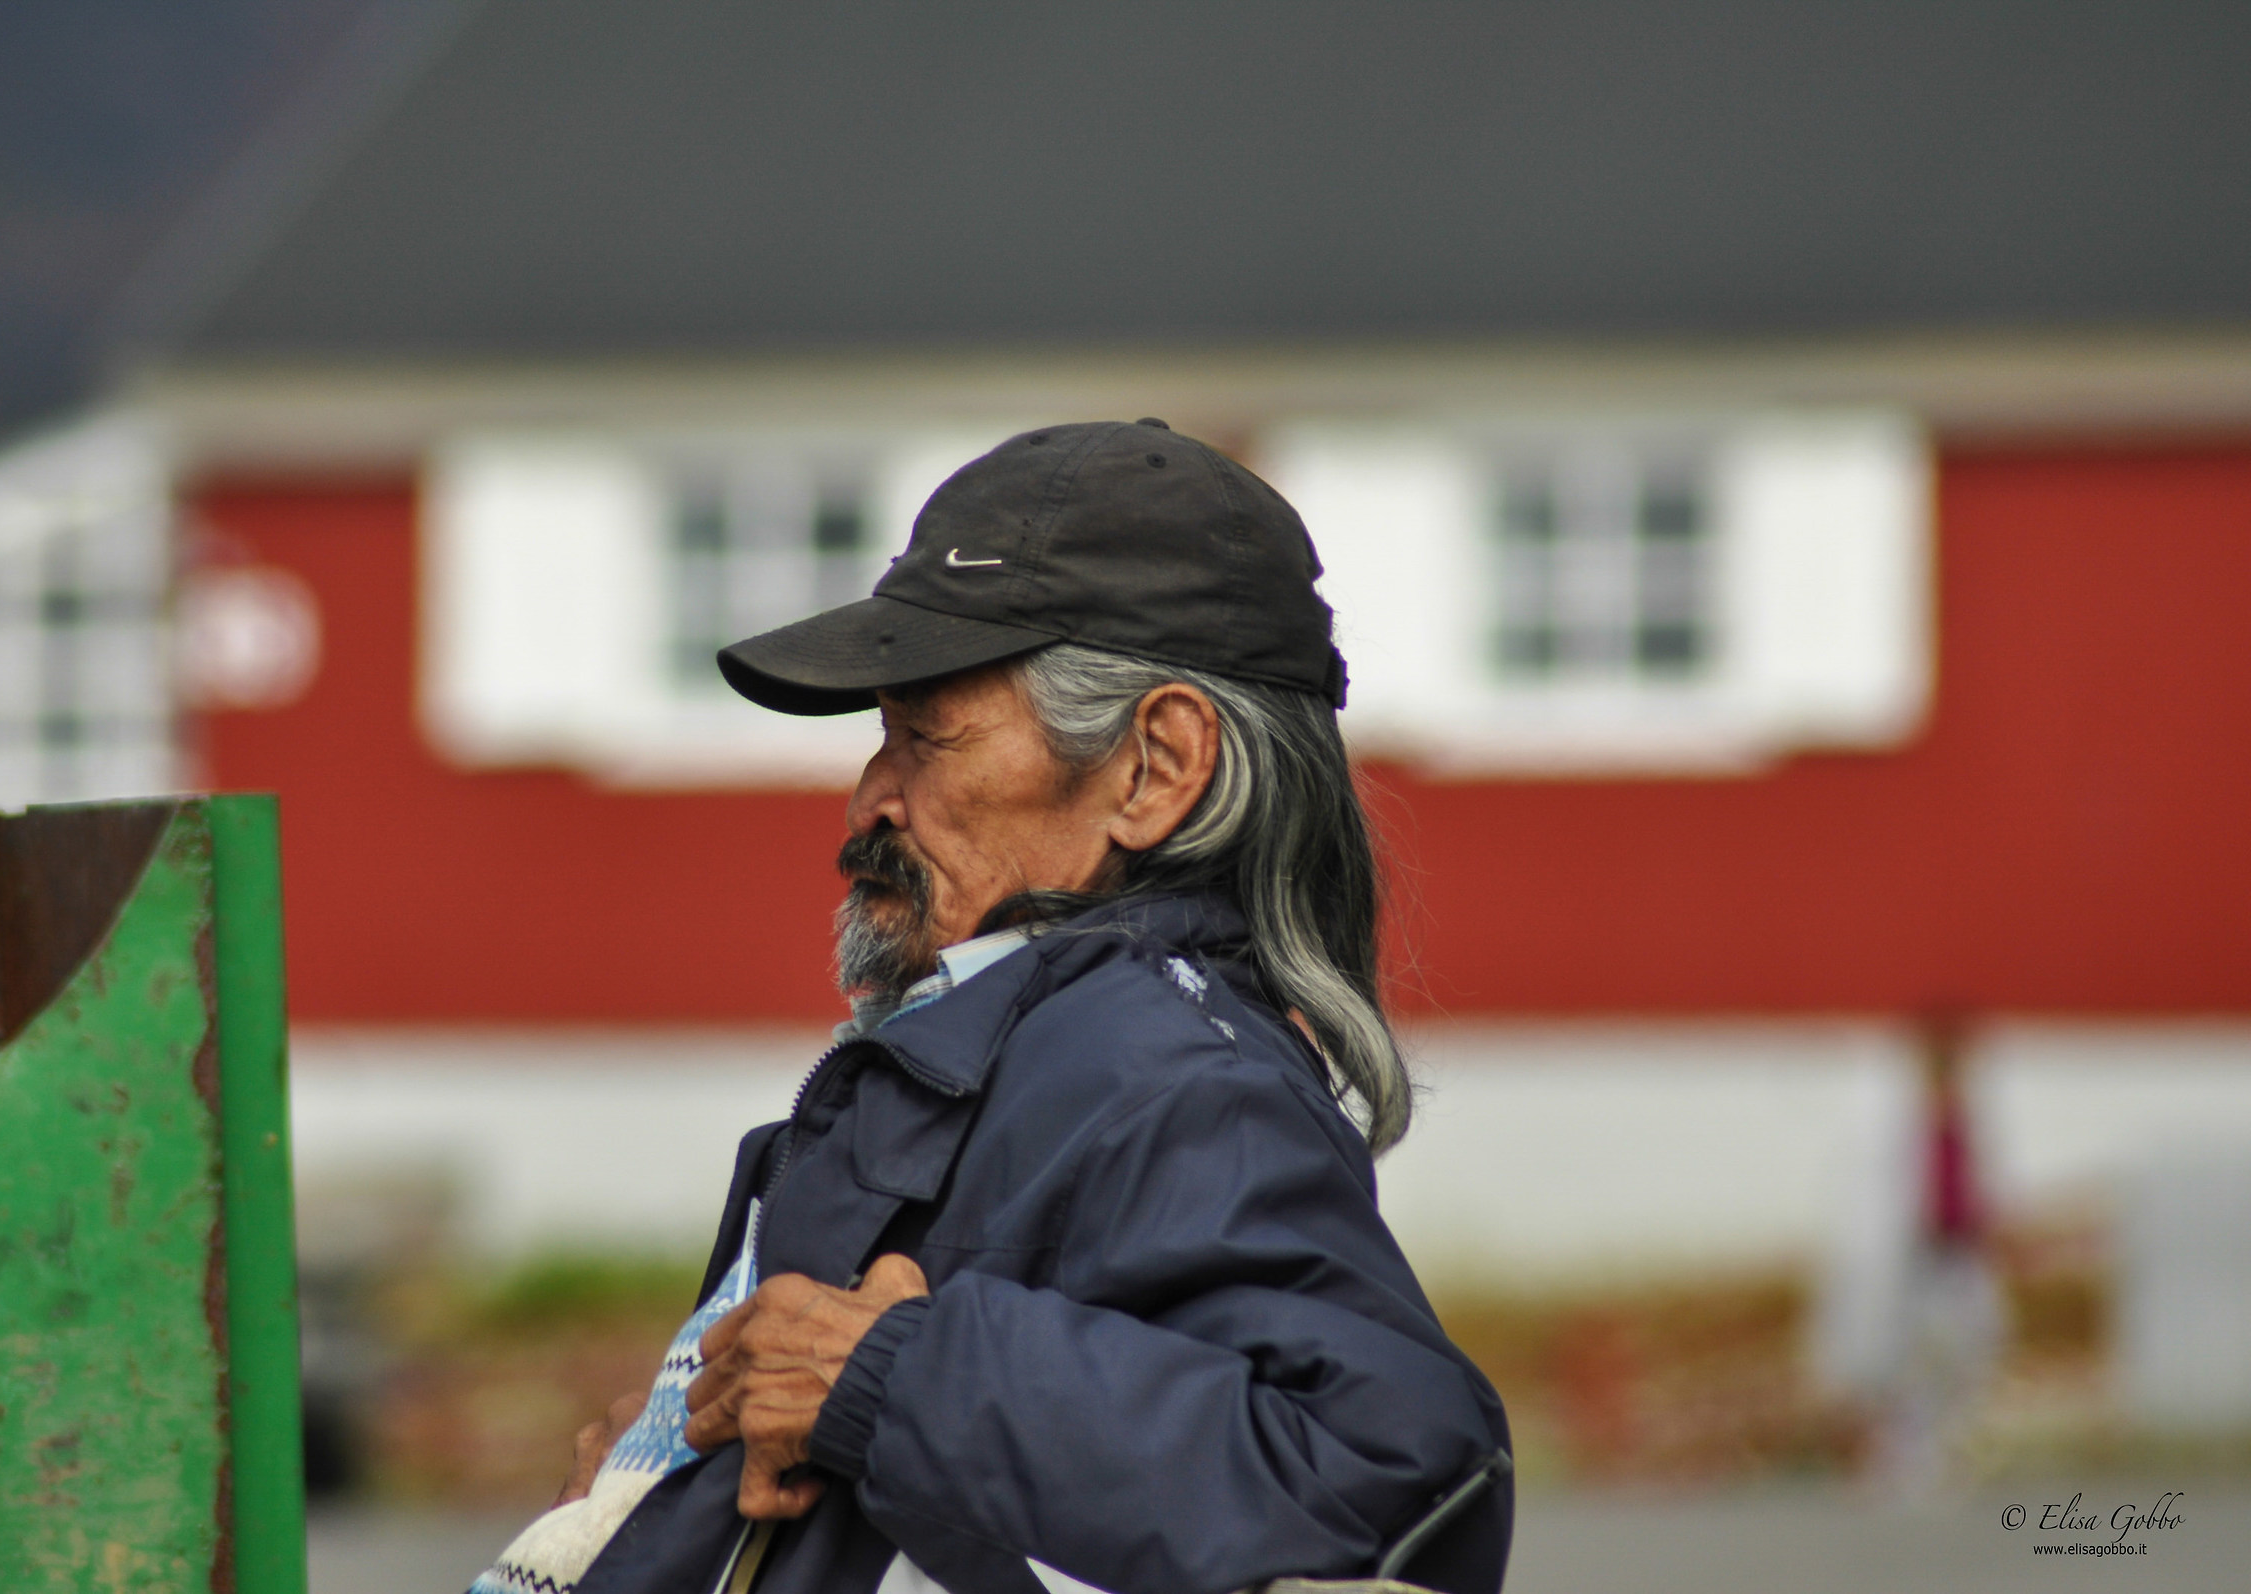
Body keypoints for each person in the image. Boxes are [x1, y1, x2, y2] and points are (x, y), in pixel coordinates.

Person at [472, 420, 1513, 1594]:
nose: (871, 798)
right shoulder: (1025, 1048)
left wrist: (887, 1379)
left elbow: (1391, 1482)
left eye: (928, 736)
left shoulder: (1169, 1074)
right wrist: (673, 1503)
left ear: (1155, 766)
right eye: (882, 734)